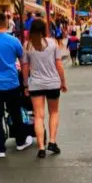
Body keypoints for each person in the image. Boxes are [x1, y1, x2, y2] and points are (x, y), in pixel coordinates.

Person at [0, 11, 33, 158]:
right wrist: (25, 83)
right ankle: (21, 141)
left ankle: (0, 148)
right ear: (6, 24)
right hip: (11, 83)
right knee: (16, 113)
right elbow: (23, 62)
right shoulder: (14, 41)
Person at [22, 18, 66, 158]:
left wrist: (25, 84)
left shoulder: (27, 45)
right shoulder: (53, 43)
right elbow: (59, 64)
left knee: (38, 116)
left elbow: (25, 67)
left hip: (35, 84)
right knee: (54, 112)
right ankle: (52, 142)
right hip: (52, 83)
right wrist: (63, 81)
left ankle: (41, 147)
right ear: (44, 29)